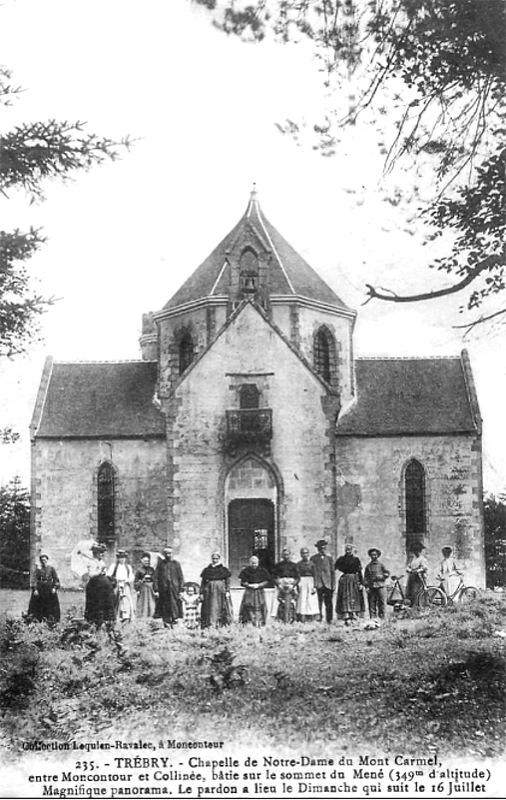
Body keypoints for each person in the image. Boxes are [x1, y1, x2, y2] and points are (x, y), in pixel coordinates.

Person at [84, 542, 116, 626]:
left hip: (103, 586)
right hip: (95, 586)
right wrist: (99, 571)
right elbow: (91, 574)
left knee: (107, 602)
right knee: (97, 603)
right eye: (100, 553)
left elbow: (104, 572)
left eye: (103, 553)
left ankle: (107, 620)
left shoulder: (101, 562)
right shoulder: (91, 562)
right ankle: (95, 621)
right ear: (95, 553)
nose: (102, 554)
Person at [153, 546, 185, 627]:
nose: (168, 555)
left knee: (174, 604)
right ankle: (166, 622)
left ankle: (175, 621)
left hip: (174, 589)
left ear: (172, 554)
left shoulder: (176, 564)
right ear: (164, 554)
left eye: (170, 553)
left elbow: (181, 577)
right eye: (166, 553)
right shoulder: (161, 564)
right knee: (165, 605)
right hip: (163, 589)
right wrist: (156, 590)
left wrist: (181, 590)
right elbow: (156, 577)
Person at [200, 552, 232, 628]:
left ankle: (220, 623)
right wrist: (201, 593)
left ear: (219, 559)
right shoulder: (207, 570)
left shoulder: (223, 569)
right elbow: (203, 582)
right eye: (213, 558)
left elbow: (227, 581)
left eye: (216, 559)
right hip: (209, 590)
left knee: (220, 605)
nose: (215, 560)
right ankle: (210, 623)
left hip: (220, 590)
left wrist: (227, 591)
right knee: (210, 606)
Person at [334, 543, 364, 626]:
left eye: (349, 549)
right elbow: (334, 567)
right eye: (347, 549)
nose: (348, 551)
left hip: (354, 579)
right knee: (345, 596)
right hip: (345, 579)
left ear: (352, 550)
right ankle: (346, 614)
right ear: (345, 550)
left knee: (355, 596)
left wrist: (361, 583)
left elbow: (359, 571)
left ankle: (354, 614)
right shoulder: (341, 559)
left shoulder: (356, 559)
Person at [238, 555, 270, 626]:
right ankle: (248, 622)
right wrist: (249, 585)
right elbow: (242, 582)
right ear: (250, 563)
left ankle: (260, 622)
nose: (254, 565)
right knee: (248, 605)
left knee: (260, 606)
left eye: (255, 563)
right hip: (249, 591)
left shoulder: (262, 571)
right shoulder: (245, 571)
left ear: (258, 563)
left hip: (259, 591)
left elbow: (266, 581)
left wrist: (259, 585)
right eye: (252, 563)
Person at [27, 554, 61, 623]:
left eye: (45, 560)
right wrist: (35, 589)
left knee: (51, 605)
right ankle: (38, 619)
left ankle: (51, 620)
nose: (44, 562)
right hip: (40, 589)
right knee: (38, 604)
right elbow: (34, 580)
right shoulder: (38, 570)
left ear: (47, 560)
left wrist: (54, 588)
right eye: (42, 560)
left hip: (49, 589)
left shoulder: (51, 568)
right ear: (40, 561)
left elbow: (56, 579)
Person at [311, 539, 335, 623]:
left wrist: (333, 585)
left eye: (323, 548)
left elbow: (332, 572)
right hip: (319, 583)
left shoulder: (329, 558)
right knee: (318, 602)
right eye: (320, 548)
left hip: (328, 584)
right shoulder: (314, 558)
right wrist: (314, 584)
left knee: (328, 602)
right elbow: (312, 573)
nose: (322, 550)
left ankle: (329, 619)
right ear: (318, 549)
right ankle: (319, 618)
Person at [272, 548, 299, 623]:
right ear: (282, 556)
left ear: (290, 555)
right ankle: (278, 618)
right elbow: (274, 576)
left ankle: (292, 617)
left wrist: (293, 585)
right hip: (281, 584)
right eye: (284, 555)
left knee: (292, 602)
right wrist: (279, 584)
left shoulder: (294, 565)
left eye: (287, 555)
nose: (286, 556)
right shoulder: (278, 565)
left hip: (291, 585)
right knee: (278, 601)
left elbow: (297, 577)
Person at [108, 550, 136, 622]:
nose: (122, 559)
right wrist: (114, 580)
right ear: (118, 558)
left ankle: (126, 615)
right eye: (120, 557)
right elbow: (109, 575)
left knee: (126, 599)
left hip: (125, 584)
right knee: (116, 600)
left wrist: (127, 580)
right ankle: (115, 615)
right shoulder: (114, 566)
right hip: (116, 584)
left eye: (123, 557)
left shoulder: (128, 567)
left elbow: (131, 577)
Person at [363, 548, 390, 620]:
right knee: (372, 603)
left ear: (377, 555)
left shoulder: (381, 565)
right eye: (372, 555)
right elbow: (365, 577)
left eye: (375, 555)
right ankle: (373, 619)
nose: (373, 556)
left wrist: (382, 576)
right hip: (371, 587)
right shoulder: (368, 566)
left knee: (382, 603)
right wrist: (366, 587)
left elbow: (387, 573)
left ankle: (383, 619)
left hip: (380, 586)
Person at [296, 548, 319, 622]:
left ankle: (311, 617)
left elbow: (315, 575)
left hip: (310, 582)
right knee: (302, 599)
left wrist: (315, 586)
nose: (304, 555)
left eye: (306, 553)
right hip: (302, 581)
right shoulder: (299, 564)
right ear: (301, 554)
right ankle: (302, 617)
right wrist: (298, 584)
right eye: (303, 553)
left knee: (311, 599)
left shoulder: (312, 564)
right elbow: (297, 575)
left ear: (308, 554)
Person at [405, 541, 429, 606]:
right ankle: (412, 606)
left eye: (417, 551)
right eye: (414, 551)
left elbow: (425, 568)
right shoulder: (413, 559)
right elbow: (408, 566)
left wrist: (418, 571)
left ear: (420, 551)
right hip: (412, 578)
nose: (416, 552)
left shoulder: (422, 559)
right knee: (411, 592)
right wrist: (409, 570)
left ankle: (419, 606)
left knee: (417, 592)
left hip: (419, 578)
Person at [134, 553, 157, 618]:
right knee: (143, 602)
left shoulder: (152, 569)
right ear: (142, 562)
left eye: (147, 561)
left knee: (151, 601)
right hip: (143, 588)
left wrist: (156, 590)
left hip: (150, 588)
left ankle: (151, 614)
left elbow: (155, 579)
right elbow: (136, 581)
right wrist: (141, 581)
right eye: (145, 561)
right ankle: (142, 615)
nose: (146, 563)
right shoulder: (139, 570)